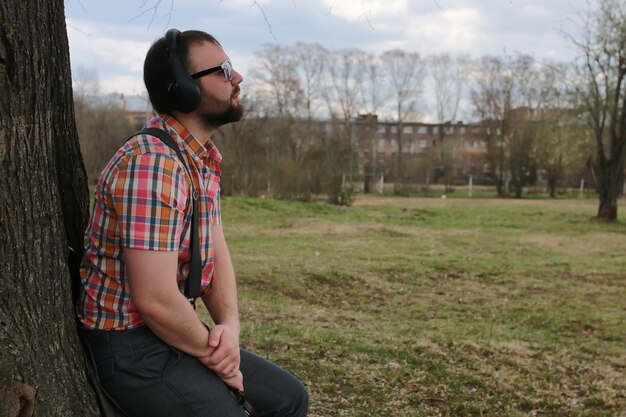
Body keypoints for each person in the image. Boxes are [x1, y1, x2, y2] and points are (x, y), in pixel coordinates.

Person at [76, 29, 309, 417]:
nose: (238, 78)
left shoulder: (198, 159)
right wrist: (217, 358)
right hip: (128, 347)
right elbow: (155, 299)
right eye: (224, 70)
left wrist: (229, 330)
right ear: (183, 89)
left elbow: (215, 253)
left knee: (289, 399)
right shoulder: (153, 165)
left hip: (168, 332)